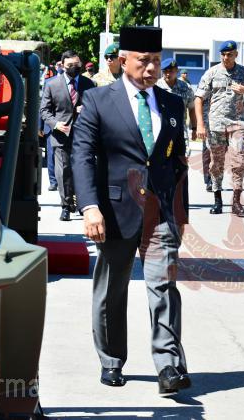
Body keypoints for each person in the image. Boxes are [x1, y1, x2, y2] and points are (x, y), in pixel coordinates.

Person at [71, 26, 191, 394]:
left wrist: (181, 213)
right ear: (123, 61)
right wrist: (90, 207)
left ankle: (168, 365)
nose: (152, 68)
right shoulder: (98, 101)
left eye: (156, 60)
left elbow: (178, 162)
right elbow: (82, 155)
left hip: (160, 211)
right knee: (112, 289)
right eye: (144, 60)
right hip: (114, 210)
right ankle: (111, 359)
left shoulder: (172, 103)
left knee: (163, 286)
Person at [195, 40, 244, 217]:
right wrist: (200, 124)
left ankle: (236, 203)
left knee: (238, 162)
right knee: (216, 164)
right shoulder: (212, 73)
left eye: (229, 54)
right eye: (223, 54)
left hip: (236, 124)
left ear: (236, 55)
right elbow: (199, 98)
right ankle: (217, 200)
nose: (225, 57)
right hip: (215, 125)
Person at [39, 50, 95, 221]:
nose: (74, 68)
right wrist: (55, 124)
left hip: (83, 134)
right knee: (63, 171)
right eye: (70, 65)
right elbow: (44, 110)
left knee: (82, 168)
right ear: (62, 66)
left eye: (77, 65)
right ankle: (66, 205)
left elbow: (96, 107)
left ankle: (81, 203)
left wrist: (86, 110)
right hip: (60, 134)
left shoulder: (88, 84)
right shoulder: (52, 84)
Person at [156, 58, 197, 156]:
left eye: (171, 71)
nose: (167, 74)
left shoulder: (186, 87)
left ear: (177, 71)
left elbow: (192, 108)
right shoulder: (156, 87)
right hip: (160, 131)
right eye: (165, 71)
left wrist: (194, 128)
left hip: (180, 131)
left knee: (182, 159)